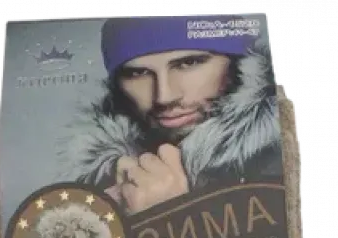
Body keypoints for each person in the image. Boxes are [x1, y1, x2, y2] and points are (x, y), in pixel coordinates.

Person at [58, 15, 283, 215]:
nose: (164, 97)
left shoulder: (283, 161)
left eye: (188, 63)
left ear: (241, 66)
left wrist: (171, 217)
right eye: (138, 73)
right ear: (117, 85)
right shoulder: (95, 189)